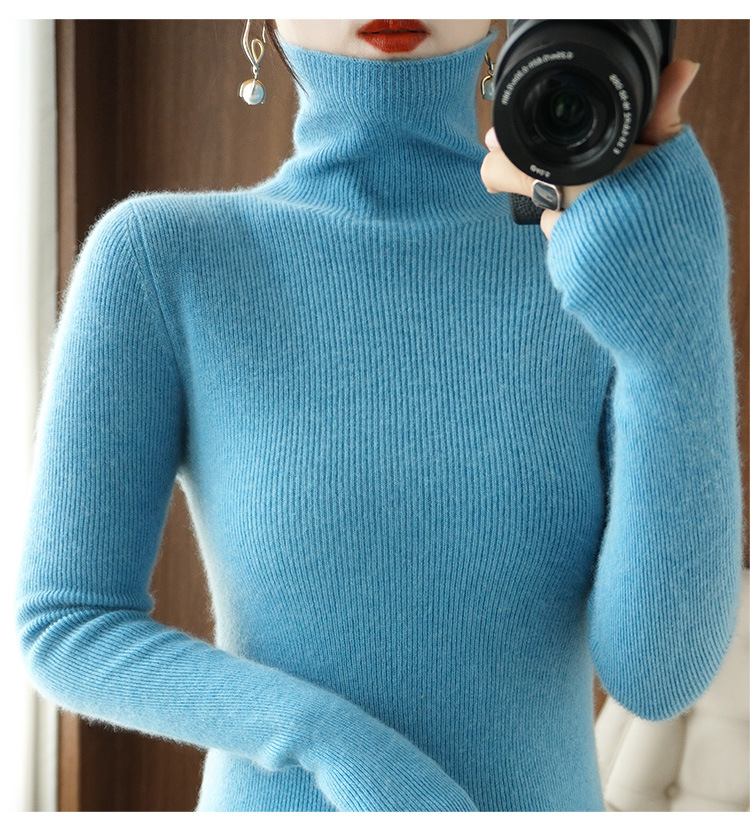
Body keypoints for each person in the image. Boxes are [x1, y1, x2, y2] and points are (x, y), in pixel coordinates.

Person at [15, 19, 743, 812]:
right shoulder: (163, 258)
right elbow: (68, 623)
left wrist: (674, 334)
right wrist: (334, 743)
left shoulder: (593, 256)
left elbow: (657, 676)